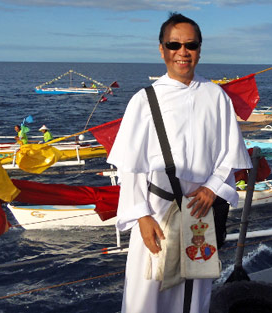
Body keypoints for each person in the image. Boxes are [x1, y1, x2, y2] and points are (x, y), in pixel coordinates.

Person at [107, 13, 251, 313]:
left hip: (199, 209)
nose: (182, 52)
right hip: (156, 212)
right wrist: (141, 216)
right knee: (147, 292)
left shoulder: (216, 96)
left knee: (195, 294)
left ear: (200, 49)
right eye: (174, 44)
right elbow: (130, 167)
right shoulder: (144, 100)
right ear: (162, 49)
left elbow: (229, 153)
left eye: (191, 45)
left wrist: (212, 188)